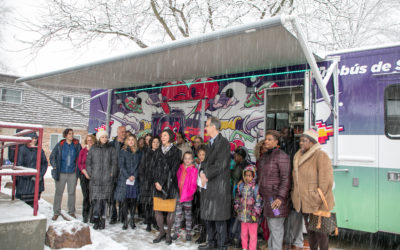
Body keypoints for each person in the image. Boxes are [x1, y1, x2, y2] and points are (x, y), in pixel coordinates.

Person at [292, 129, 334, 250]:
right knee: (311, 232)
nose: (301, 143)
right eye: (300, 140)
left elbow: (326, 182)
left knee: (321, 234)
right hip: (304, 202)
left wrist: (316, 197)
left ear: (312, 142)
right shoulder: (298, 155)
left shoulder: (320, 155)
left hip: (317, 203)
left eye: (304, 141)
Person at [198, 117, 231, 250]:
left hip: (219, 187)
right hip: (209, 186)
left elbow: (220, 164)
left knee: (219, 219)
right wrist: (201, 172)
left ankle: (222, 245)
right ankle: (211, 243)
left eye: (206, 125)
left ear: (214, 127)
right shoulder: (209, 144)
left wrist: (206, 174)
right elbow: (204, 162)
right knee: (209, 217)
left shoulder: (223, 143)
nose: (205, 128)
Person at [258, 130, 291, 250]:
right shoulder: (265, 156)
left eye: (269, 139)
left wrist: (280, 197)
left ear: (276, 142)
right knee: (272, 229)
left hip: (276, 202)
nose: (266, 141)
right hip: (268, 200)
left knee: (276, 229)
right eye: (266, 139)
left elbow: (286, 179)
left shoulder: (282, 156)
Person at [152, 129, 182, 245]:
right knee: (157, 211)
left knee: (170, 211)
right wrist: (156, 182)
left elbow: (173, 170)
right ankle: (161, 232)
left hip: (170, 185)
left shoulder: (176, 151)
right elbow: (153, 168)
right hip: (157, 185)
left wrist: (162, 182)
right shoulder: (157, 151)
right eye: (161, 135)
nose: (162, 137)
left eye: (165, 135)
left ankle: (168, 233)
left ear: (170, 137)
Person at [86, 130, 118, 230]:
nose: (105, 139)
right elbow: (88, 162)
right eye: (103, 137)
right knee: (96, 201)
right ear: (99, 138)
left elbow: (114, 163)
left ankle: (103, 219)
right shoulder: (93, 149)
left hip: (106, 180)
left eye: (106, 137)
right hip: (95, 179)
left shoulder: (111, 149)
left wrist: (112, 173)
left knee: (104, 201)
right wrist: (91, 173)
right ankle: (96, 219)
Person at [50, 128, 82, 220]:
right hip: (61, 172)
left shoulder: (76, 145)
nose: (71, 135)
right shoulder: (60, 145)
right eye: (69, 134)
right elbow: (52, 156)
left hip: (72, 173)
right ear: (65, 135)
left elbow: (81, 157)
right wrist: (55, 166)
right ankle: (56, 212)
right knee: (58, 192)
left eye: (72, 134)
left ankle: (71, 211)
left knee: (72, 193)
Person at [280, 127, 303, 250]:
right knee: (288, 214)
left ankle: (297, 241)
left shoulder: (295, 148)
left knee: (296, 214)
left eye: (284, 132)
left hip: (293, 185)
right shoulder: (282, 147)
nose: (282, 134)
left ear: (291, 134)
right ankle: (290, 239)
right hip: (287, 185)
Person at [114, 134, 140, 230]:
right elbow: (121, 166)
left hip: (134, 180)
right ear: (126, 141)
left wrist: (134, 176)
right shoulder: (123, 151)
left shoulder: (138, 152)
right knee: (125, 202)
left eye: (133, 139)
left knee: (133, 202)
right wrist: (128, 176)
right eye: (129, 139)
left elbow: (139, 166)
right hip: (125, 180)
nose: (131, 141)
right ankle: (125, 221)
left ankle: (132, 220)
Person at [234, 165, 263, 250]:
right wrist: (237, 207)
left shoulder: (256, 188)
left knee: (253, 235)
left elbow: (258, 202)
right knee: (243, 234)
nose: (248, 177)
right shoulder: (241, 186)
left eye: (250, 175)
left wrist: (255, 213)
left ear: (253, 176)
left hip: (253, 217)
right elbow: (237, 198)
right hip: (243, 216)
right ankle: (244, 248)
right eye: (246, 175)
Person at [16, 132, 48, 207]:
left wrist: (40, 174)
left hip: (37, 181)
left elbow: (44, 163)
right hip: (25, 182)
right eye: (32, 138)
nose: (34, 140)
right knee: (23, 205)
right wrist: (30, 175)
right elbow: (19, 165)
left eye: (35, 138)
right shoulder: (22, 150)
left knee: (34, 203)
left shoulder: (39, 150)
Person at [172, 151, 198, 241]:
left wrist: (189, 194)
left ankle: (188, 233)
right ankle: (176, 232)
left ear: (192, 160)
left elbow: (194, 185)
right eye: (185, 158)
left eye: (189, 158)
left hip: (187, 197)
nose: (187, 160)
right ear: (183, 159)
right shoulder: (180, 168)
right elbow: (177, 179)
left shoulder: (194, 170)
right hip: (179, 195)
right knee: (177, 215)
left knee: (188, 216)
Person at [139, 136, 160, 232]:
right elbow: (142, 168)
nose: (155, 144)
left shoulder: (160, 154)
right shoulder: (146, 153)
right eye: (154, 142)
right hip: (147, 182)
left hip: (157, 182)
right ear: (151, 143)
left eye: (157, 142)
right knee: (147, 204)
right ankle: (148, 222)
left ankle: (155, 222)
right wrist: (143, 180)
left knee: (156, 204)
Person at [229, 147, 249, 248]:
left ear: (241, 157)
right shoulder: (237, 165)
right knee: (236, 216)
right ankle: (235, 237)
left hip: (241, 194)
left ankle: (239, 238)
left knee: (239, 217)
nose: (234, 157)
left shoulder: (244, 166)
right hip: (235, 192)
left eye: (236, 155)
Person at [108, 125, 126, 224]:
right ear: (118, 132)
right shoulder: (111, 144)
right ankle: (113, 216)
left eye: (124, 132)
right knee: (112, 197)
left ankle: (122, 216)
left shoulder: (127, 144)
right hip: (113, 173)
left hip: (123, 174)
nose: (123, 133)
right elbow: (107, 159)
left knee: (123, 196)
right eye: (122, 131)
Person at [77, 134, 96, 223]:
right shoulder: (83, 151)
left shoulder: (96, 151)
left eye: (91, 140)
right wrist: (85, 172)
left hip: (94, 176)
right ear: (86, 141)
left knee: (93, 196)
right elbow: (80, 163)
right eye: (88, 140)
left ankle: (92, 215)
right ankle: (85, 215)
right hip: (84, 176)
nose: (90, 142)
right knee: (86, 196)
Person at [193, 145, 207, 244]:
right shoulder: (199, 164)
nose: (201, 156)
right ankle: (202, 235)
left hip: (206, 194)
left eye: (203, 154)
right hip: (199, 192)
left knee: (205, 217)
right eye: (200, 154)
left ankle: (204, 236)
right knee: (201, 216)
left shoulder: (207, 165)